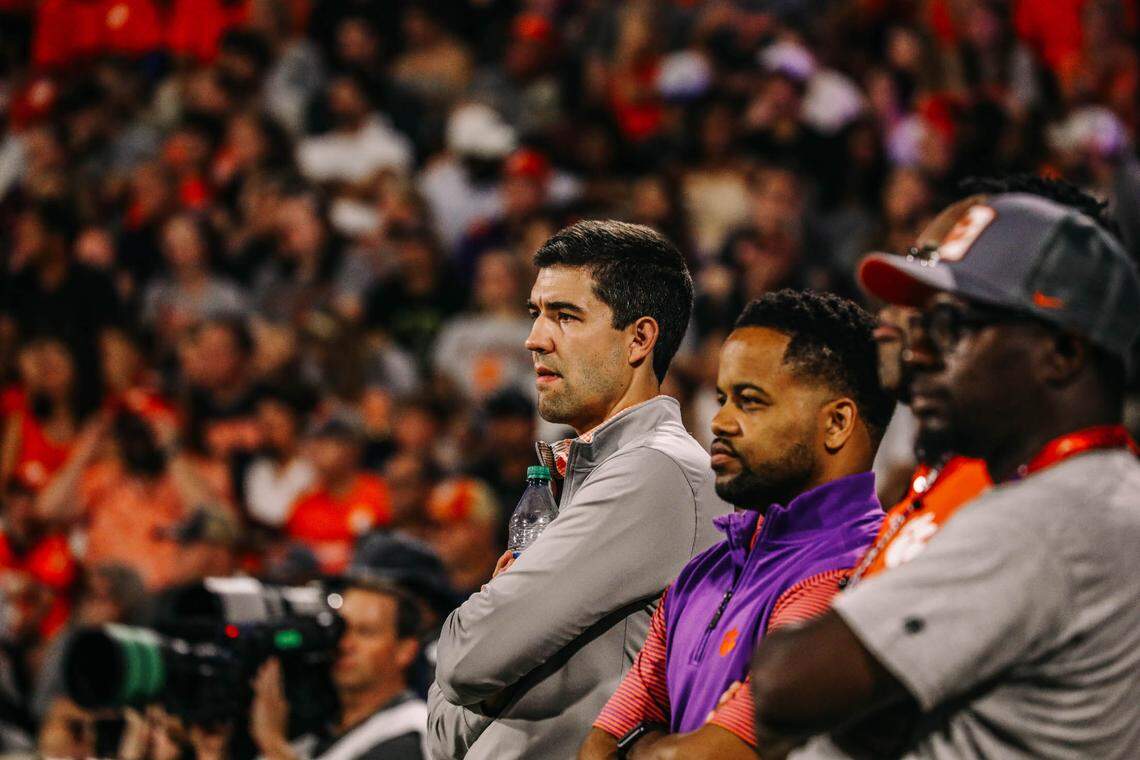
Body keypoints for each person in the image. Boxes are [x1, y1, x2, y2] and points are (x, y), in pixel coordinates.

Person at [750, 179, 1140, 759]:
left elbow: (785, 684)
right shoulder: (1095, 489)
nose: (922, 351)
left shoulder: (1048, 518)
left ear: (1062, 353)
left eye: (954, 328)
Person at [427, 220, 728, 759]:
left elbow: (463, 658)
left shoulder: (655, 473)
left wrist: (487, 614)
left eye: (565, 316)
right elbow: (445, 727)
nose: (535, 338)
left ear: (640, 338)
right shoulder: (583, 477)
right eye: (536, 312)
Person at [580, 290, 893, 759]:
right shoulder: (700, 573)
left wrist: (647, 745)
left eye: (750, 401)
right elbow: (597, 747)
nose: (720, 421)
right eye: (722, 397)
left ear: (837, 423)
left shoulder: (859, 570)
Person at [250, 578, 428, 760]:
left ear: (405, 650)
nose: (344, 644)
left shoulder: (410, 731)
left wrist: (273, 743)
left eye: (365, 632)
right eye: (340, 630)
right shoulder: (311, 729)